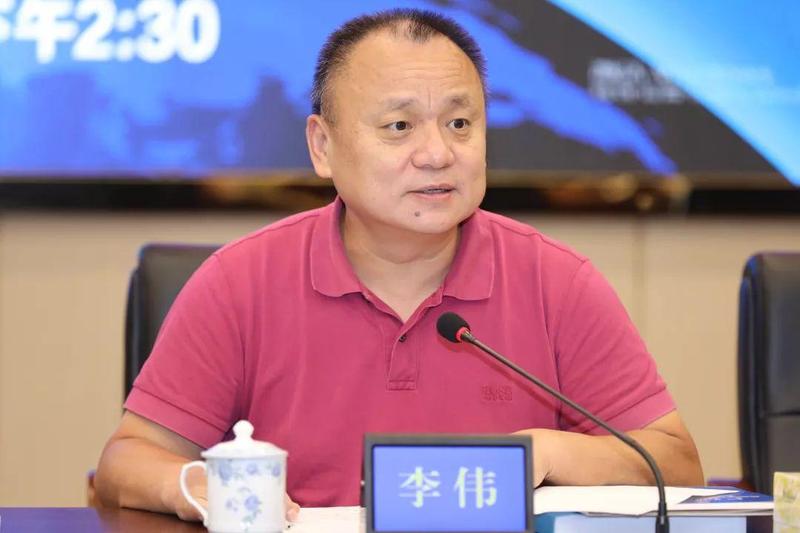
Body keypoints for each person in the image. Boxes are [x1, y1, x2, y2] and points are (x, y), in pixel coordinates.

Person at [94, 8, 703, 521]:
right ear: (322, 147)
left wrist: (547, 454)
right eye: (399, 125)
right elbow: (126, 461)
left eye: (460, 123)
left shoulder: (557, 282)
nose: (437, 153)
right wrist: (202, 487)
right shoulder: (240, 282)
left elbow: (675, 463)